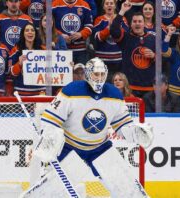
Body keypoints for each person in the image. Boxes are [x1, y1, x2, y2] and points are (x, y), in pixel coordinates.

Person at [34, 57, 153, 197]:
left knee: (127, 189)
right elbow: (50, 118)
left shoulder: (114, 95)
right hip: (69, 146)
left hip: (99, 148)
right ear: (88, 74)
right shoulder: (72, 90)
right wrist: (50, 136)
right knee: (50, 192)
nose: (99, 78)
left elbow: (122, 124)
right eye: (96, 74)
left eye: (102, 74)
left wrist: (135, 132)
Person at [110, 1, 156, 98]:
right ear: (130, 24)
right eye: (134, 21)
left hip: (149, 89)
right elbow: (114, 30)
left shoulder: (152, 38)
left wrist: (154, 56)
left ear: (144, 24)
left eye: (140, 21)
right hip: (130, 88)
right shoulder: (125, 37)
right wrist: (122, 11)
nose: (137, 24)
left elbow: (163, 60)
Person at [93, 0, 128, 82]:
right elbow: (97, 38)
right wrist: (108, 28)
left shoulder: (122, 19)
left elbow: (126, 37)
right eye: (107, 3)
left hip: (119, 60)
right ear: (103, 7)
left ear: (115, 6)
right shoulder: (99, 19)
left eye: (111, 3)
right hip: (102, 61)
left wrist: (115, 27)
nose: (109, 5)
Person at [9, 22, 46, 96]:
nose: (30, 32)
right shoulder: (16, 49)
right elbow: (11, 73)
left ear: (36, 34)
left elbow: (55, 68)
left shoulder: (43, 50)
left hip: (40, 93)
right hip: (21, 92)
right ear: (23, 34)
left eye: (32, 30)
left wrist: (67, 64)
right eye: (27, 30)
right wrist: (19, 64)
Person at [52, 0, 93, 64]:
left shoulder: (84, 5)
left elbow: (89, 26)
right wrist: (60, 36)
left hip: (80, 51)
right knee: (63, 74)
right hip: (61, 50)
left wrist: (81, 34)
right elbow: (48, 25)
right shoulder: (54, 5)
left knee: (81, 73)